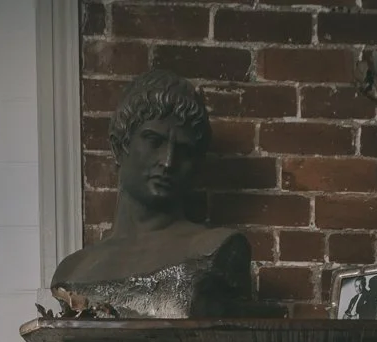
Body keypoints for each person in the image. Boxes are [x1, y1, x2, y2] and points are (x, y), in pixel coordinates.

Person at [48, 70, 252, 317]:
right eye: (154, 141)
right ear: (119, 146)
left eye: (184, 151)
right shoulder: (73, 270)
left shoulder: (216, 249)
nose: (167, 162)